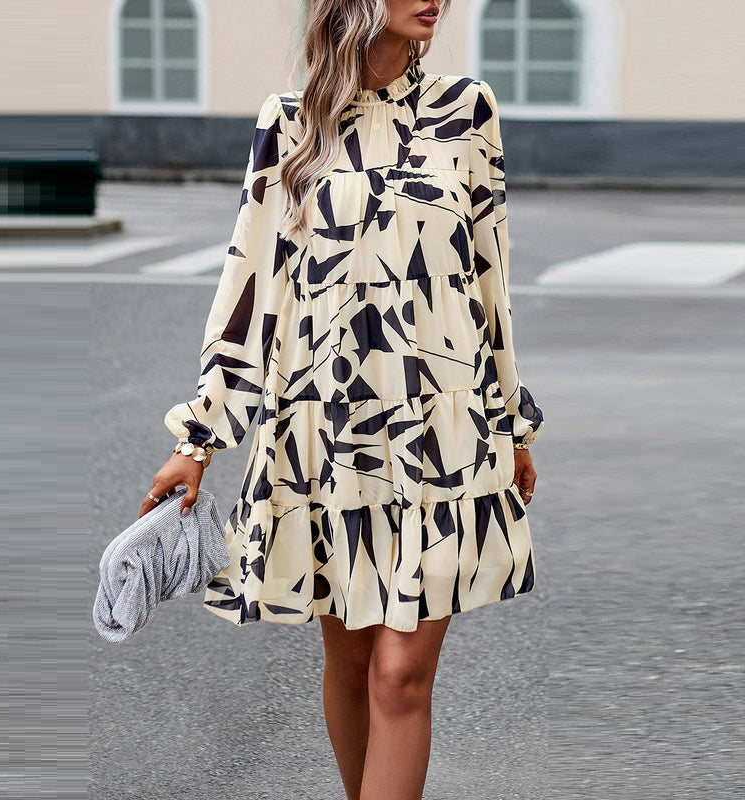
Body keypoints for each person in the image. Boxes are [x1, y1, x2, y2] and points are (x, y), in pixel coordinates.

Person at [140, 2, 544, 798]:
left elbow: (489, 279)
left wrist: (513, 421)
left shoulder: (468, 110)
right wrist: (198, 438)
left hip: (443, 430)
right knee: (353, 661)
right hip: (328, 427)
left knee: (400, 675)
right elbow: (249, 288)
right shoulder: (290, 123)